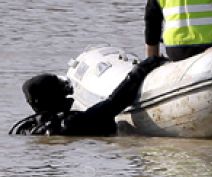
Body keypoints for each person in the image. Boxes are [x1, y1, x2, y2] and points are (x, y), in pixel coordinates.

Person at [10, 56, 169, 136]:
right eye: (63, 90)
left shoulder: (21, 128)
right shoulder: (71, 122)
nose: (68, 94)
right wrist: (141, 69)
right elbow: (115, 103)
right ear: (54, 97)